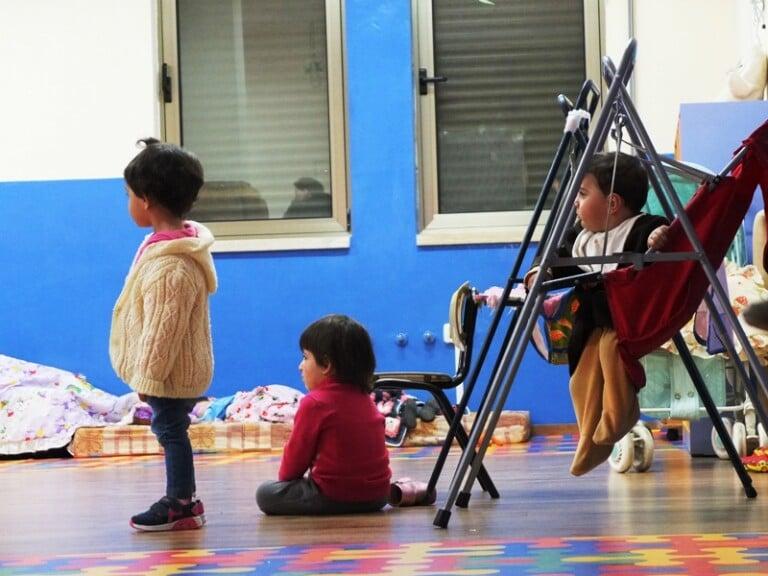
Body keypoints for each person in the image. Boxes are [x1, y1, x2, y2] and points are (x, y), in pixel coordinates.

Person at [524, 152, 669, 476]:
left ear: (613, 203)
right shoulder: (579, 237)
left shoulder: (641, 227)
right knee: (582, 379)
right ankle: (590, 438)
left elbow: (657, 235)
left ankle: (620, 419)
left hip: (625, 321)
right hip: (589, 321)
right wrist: (538, 272)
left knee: (612, 358)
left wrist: (657, 240)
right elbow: (552, 257)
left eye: (583, 194)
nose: (576, 203)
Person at [110, 138, 218, 531]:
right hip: (172, 368)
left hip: (169, 371)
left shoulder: (171, 265)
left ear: (147, 199)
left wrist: (148, 379)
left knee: (171, 432)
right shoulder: (167, 246)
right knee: (171, 429)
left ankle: (181, 503)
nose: (127, 203)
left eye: (128, 195)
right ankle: (183, 499)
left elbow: (162, 332)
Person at [256, 314, 391, 515]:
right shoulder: (365, 398)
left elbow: (291, 467)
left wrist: (288, 481)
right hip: (378, 496)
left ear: (326, 365)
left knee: (265, 493)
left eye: (305, 357)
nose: (300, 366)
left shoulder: (314, 403)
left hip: (333, 496)